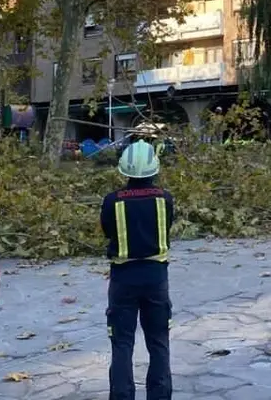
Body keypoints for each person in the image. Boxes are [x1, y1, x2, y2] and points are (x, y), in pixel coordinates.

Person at [100, 140, 175, 400]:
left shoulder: (112, 201)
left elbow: (108, 231)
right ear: (155, 169)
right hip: (156, 278)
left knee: (122, 344)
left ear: (124, 170)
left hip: (123, 279)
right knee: (158, 343)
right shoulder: (165, 199)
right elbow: (167, 228)